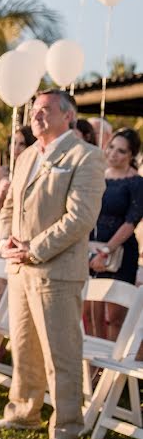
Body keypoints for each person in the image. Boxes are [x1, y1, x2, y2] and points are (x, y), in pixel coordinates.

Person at [0, 90, 105, 439]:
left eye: (45, 110)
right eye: (34, 110)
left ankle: (67, 428)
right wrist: (5, 241)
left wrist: (33, 249)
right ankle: (23, 411)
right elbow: (9, 207)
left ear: (68, 116)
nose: (35, 116)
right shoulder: (25, 157)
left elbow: (80, 217)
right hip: (20, 268)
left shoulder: (86, 156)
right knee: (23, 345)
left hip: (56, 270)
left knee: (61, 352)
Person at [86, 128, 143, 339]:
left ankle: (114, 367)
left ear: (131, 155)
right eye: (111, 147)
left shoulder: (136, 183)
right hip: (91, 250)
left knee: (114, 317)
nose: (112, 154)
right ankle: (93, 370)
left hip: (119, 253)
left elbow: (131, 221)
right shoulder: (97, 175)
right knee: (90, 314)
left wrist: (107, 250)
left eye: (120, 151)